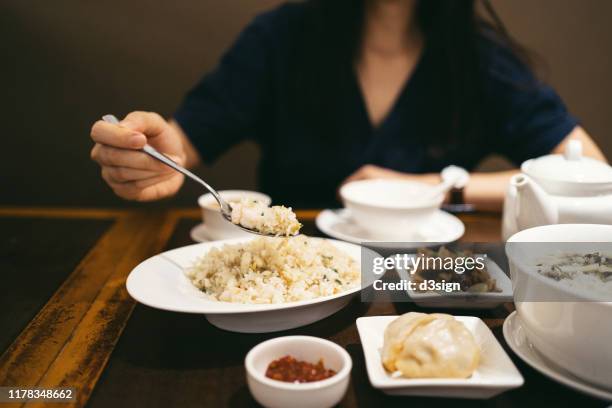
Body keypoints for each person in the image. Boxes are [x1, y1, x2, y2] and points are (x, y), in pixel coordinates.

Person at [90, 0, 606, 210]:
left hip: (418, 285)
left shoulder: (477, 60)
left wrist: (442, 185)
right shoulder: (281, 38)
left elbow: (596, 176)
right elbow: (183, 144)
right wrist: (152, 153)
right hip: (286, 282)